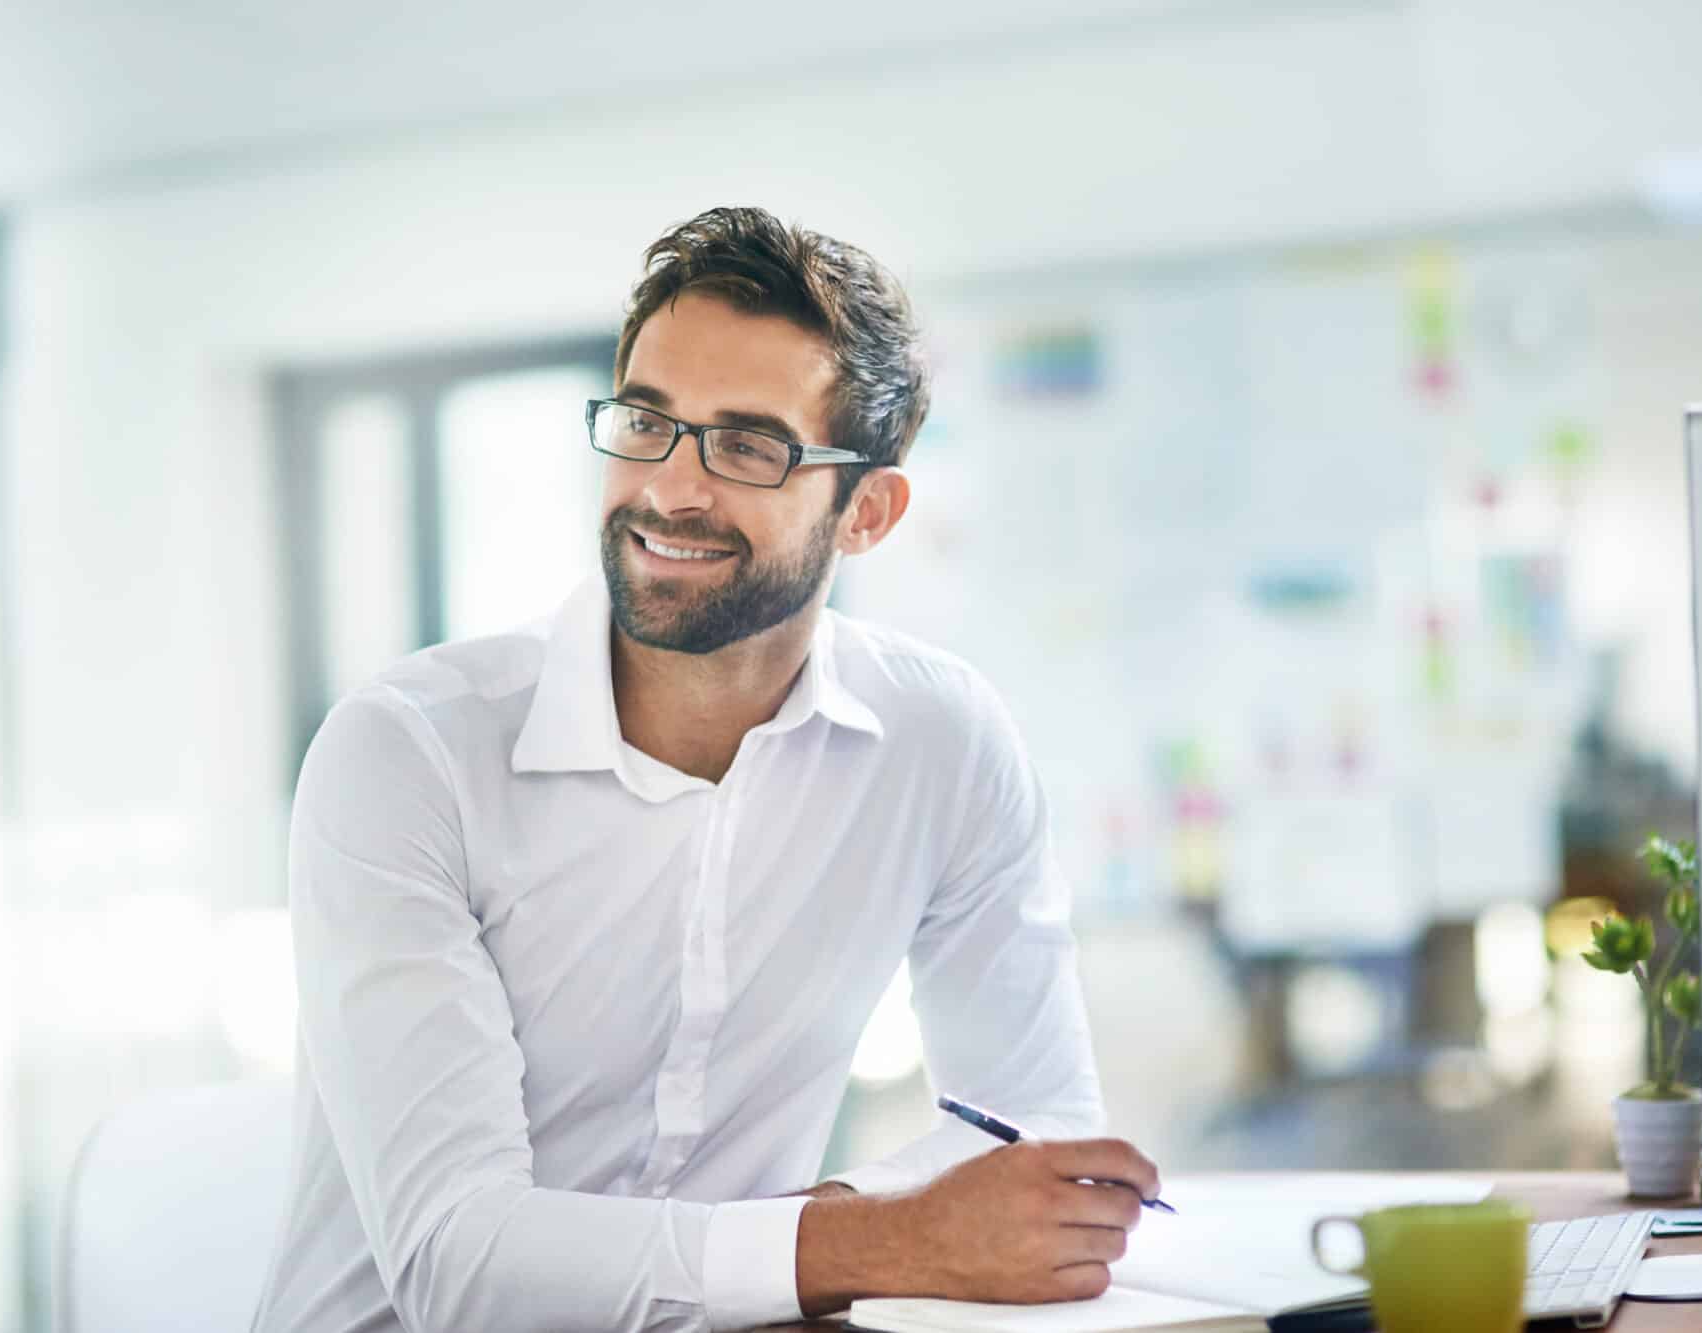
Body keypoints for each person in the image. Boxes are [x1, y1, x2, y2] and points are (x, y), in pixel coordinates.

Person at [253, 206, 1154, 1333]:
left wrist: (819, 1237)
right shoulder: (408, 752)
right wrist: (886, 1237)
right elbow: (459, 1265)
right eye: (646, 421)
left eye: (747, 446)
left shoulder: (942, 740)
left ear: (865, 510)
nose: (671, 489)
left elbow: (1036, 1138)